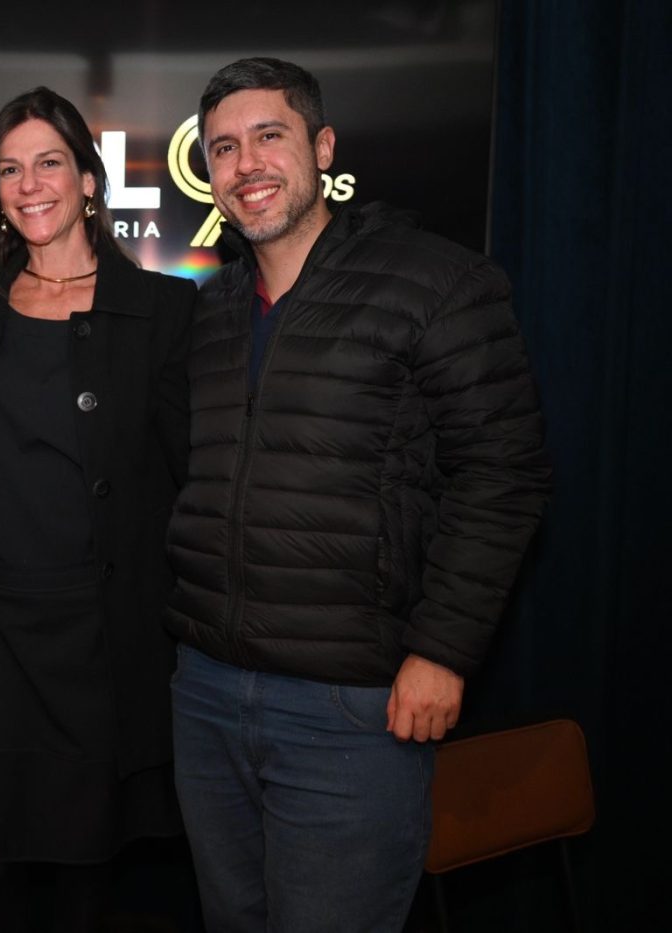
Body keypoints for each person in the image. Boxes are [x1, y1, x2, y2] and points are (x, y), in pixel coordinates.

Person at [166, 57, 552, 931]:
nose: (246, 164)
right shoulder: (214, 307)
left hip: (349, 711)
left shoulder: (435, 281)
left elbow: (506, 470)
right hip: (209, 693)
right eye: (224, 147)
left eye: (271, 136)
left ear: (323, 145)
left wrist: (443, 649)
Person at [0, 87, 196, 930]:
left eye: (49, 162)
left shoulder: (161, 311)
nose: (28, 183)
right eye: (9, 169)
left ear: (88, 179)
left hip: (98, 635)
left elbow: (197, 472)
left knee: (88, 877)